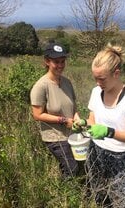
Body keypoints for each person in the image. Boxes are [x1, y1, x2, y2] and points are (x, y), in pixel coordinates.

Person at [72, 43, 125, 207]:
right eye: (95, 78)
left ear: (116, 73)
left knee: (122, 202)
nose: (98, 83)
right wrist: (84, 123)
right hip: (96, 151)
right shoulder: (96, 92)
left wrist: (108, 132)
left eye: (102, 79)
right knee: (100, 196)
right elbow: (93, 121)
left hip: (119, 157)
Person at [30, 40, 79, 179]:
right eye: (56, 62)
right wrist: (64, 120)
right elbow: (37, 115)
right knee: (72, 168)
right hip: (54, 136)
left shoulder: (67, 82)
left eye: (62, 61)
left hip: (71, 134)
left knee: (79, 165)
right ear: (47, 61)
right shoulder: (41, 86)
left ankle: (71, 193)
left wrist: (77, 119)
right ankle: (66, 196)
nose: (60, 65)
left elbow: (73, 107)